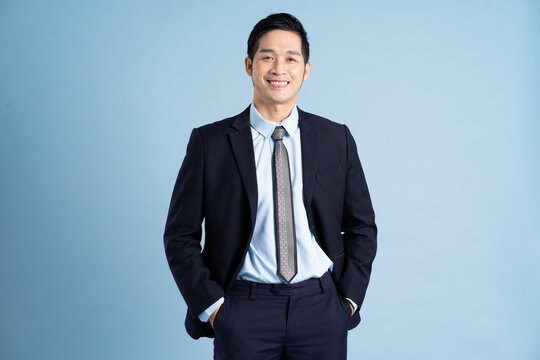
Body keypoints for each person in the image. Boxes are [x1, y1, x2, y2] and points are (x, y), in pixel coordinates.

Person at [164, 12, 377, 360]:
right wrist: (214, 308)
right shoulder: (210, 143)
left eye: (291, 58)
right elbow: (179, 235)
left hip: (320, 308)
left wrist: (348, 301)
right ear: (249, 65)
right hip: (243, 309)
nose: (280, 68)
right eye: (267, 57)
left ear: (305, 70)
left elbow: (362, 227)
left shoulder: (336, 139)